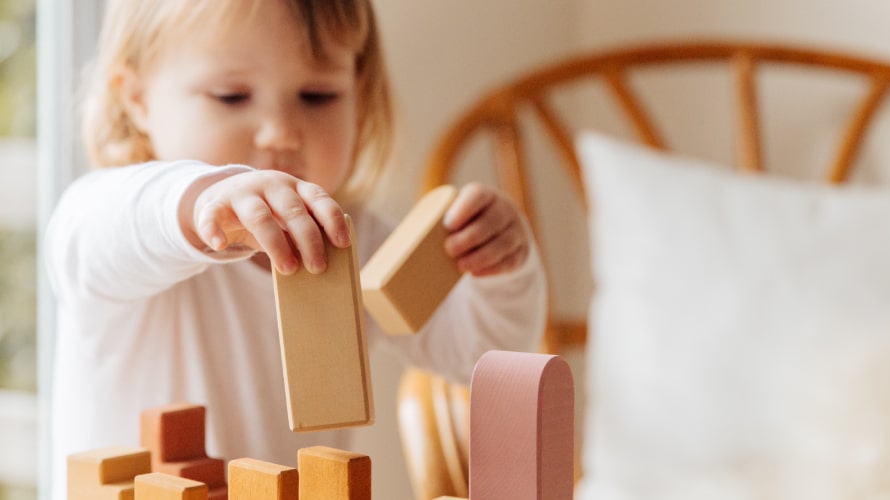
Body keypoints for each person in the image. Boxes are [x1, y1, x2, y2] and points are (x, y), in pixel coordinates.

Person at [46, 0, 547, 498]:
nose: (281, 131)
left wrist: (499, 270)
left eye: (317, 95)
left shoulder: (356, 240)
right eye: (231, 96)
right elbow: (91, 236)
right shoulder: (122, 221)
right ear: (136, 100)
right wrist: (202, 201)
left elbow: (479, 359)